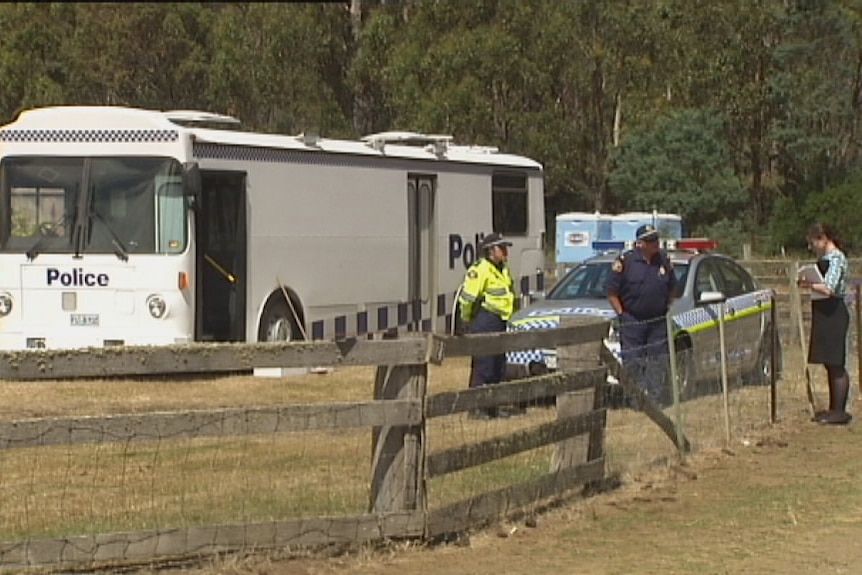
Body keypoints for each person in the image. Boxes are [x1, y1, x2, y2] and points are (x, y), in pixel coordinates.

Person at [604, 224, 677, 404]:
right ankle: (635, 400)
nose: (655, 243)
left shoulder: (663, 261)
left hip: (657, 322)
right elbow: (611, 292)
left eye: (656, 239)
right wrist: (622, 315)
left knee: (657, 361)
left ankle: (654, 401)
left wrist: (664, 306)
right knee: (633, 362)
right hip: (633, 321)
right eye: (650, 240)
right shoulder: (626, 262)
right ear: (640, 244)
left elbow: (673, 288)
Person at [459, 232, 517, 419]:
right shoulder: (480, 269)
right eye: (502, 248)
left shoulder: (503, 269)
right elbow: (468, 298)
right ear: (491, 250)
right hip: (485, 319)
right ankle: (477, 408)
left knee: (498, 365)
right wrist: (466, 320)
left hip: (500, 320)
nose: (506, 251)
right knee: (484, 364)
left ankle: (493, 406)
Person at [799, 223, 852, 425]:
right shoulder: (825, 260)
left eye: (813, 243)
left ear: (823, 239)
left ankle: (839, 411)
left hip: (834, 313)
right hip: (824, 312)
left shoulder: (837, 258)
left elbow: (830, 288)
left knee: (837, 363)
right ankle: (833, 408)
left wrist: (809, 284)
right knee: (829, 362)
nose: (812, 247)